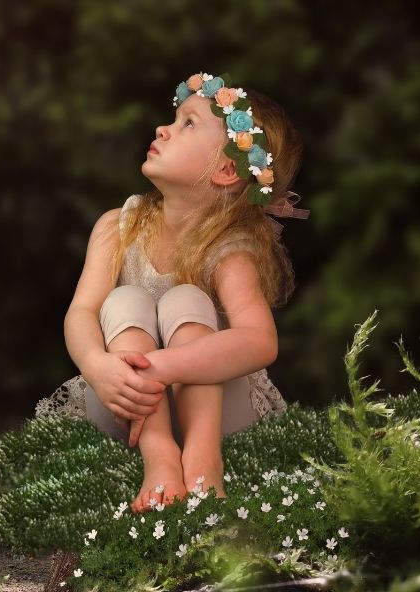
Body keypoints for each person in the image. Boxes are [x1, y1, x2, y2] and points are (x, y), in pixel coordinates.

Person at [37, 72, 308, 514]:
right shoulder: (116, 226)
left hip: (216, 416)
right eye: (173, 119)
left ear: (225, 170)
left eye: (188, 124)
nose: (163, 128)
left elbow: (260, 340)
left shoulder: (227, 249)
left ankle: (203, 460)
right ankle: (160, 456)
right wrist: (99, 366)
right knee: (124, 301)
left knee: (187, 299)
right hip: (126, 403)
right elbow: (81, 312)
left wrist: (159, 366)